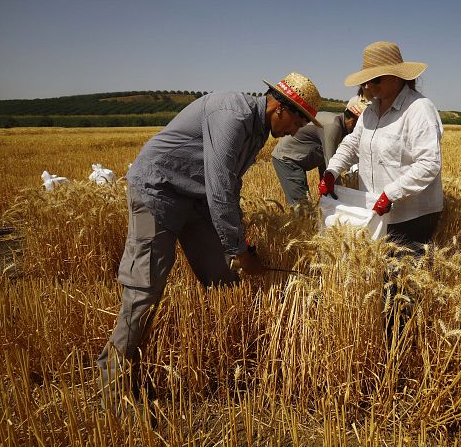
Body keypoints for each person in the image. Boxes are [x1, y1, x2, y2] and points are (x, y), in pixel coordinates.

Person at [97, 72, 323, 412]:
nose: (295, 131)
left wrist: (240, 244)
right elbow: (219, 187)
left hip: (195, 199)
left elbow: (229, 188)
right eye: (297, 121)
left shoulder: (260, 129)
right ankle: (114, 391)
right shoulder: (231, 115)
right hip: (159, 188)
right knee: (145, 289)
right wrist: (238, 251)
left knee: (222, 278)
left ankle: (223, 366)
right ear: (279, 106)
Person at [318, 41, 443, 345]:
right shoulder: (370, 112)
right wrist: (333, 171)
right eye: (367, 80)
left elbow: (429, 163)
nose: (369, 85)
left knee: (398, 289)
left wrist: (392, 193)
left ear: (398, 77)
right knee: (381, 281)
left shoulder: (418, 109)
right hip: (376, 211)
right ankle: (385, 345)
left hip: (411, 213)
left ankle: (397, 355)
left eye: (377, 79)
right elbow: (351, 145)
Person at [271, 94, 370, 209]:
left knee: (310, 206)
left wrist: (327, 187)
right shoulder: (334, 127)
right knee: (301, 207)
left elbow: (325, 159)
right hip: (287, 158)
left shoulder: (339, 124)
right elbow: (332, 164)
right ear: (354, 121)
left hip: (298, 158)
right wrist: (341, 202)